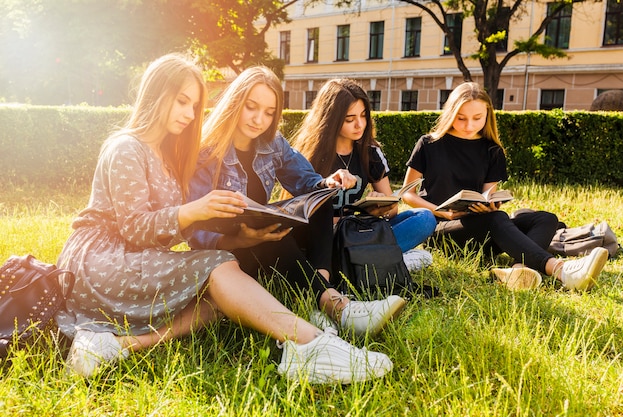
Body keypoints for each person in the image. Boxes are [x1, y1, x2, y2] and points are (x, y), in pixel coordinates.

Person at [56, 53, 393, 384]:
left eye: (194, 105)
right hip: (101, 261)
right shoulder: (127, 147)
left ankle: (116, 346)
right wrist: (198, 213)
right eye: (182, 102)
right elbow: (135, 228)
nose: (190, 114)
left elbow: (166, 233)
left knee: (226, 296)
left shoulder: (170, 152)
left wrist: (226, 226)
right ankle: (312, 343)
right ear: (156, 95)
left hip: (140, 257)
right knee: (220, 267)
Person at [189, 66, 406, 336]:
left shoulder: (272, 143)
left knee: (321, 198)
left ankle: (318, 299)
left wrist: (329, 182)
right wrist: (236, 240)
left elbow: (308, 181)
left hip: (265, 237)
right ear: (235, 103)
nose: (259, 120)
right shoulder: (205, 152)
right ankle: (338, 306)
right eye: (251, 107)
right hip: (228, 252)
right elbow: (193, 228)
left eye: (269, 113)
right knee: (267, 236)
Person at [401, 81, 609, 291]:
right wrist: (440, 212)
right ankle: (561, 270)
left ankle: (519, 270)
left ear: (487, 116)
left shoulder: (492, 150)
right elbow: (407, 194)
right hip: (441, 231)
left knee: (546, 218)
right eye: (461, 118)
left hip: (483, 231)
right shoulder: (428, 144)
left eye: (477, 118)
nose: (469, 125)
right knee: (496, 219)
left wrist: (490, 205)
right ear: (450, 113)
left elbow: (487, 195)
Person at [290, 78, 437, 272]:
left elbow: (392, 209)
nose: (359, 124)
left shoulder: (371, 153)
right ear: (331, 119)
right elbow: (296, 213)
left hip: (360, 232)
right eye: (349, 119)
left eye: (363, 115)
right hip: (325, 238)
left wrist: (379, 207)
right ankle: (382, 262)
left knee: (425, 219)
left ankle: (364, 262)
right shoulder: (309, 155)